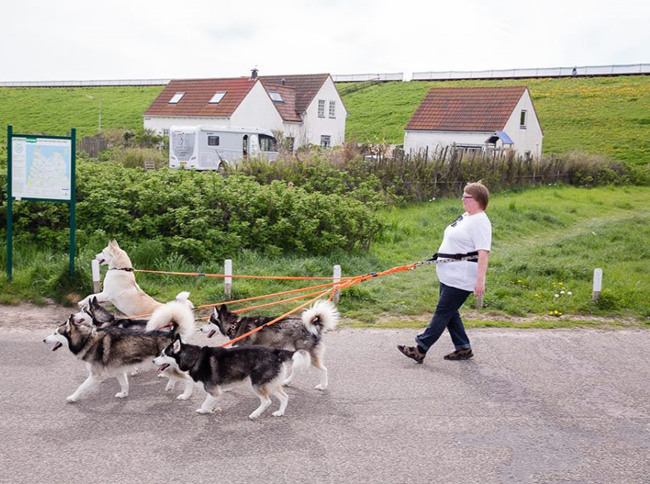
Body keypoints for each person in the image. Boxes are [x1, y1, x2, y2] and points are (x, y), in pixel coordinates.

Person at [398, 181, 492, 364]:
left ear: (478, 200)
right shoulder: (467, 216)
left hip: (461, 277)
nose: (462, 199)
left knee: (442, 312)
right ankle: (463, 347)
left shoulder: (481, 222)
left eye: (467, 196)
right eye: (463, 195)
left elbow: (483, 253)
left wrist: (480, 281)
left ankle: (420, 348)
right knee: (450, 313)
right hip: (449, 274)